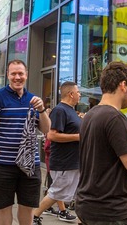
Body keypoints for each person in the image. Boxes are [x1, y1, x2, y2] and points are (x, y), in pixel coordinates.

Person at [76, 61, 127, 225]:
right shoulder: (115, 117)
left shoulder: (91, 115)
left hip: (89, 206)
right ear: (123, 85)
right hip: (110, 211)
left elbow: (105, 153)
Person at [0, 59, 51, 225]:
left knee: (28, 207)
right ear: (7, 75)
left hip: (31, 165)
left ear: (26, 75)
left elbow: (46, 129)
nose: (17, 77)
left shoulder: (33, 99)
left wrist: (42, 110)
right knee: (3, 207)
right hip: (3, 164)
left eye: (20, 73)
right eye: (13, 73)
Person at [33, 81, 82, 224]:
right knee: (57, 192)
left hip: (73, 161)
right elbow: (52, 135)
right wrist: (79, 137)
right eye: (78, 92)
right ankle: (34, 216)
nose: (80, 95)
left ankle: (81, 218)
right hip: (64, 162)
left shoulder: (71, 110)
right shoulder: (60, 110)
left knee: (70, 192)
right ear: (71, 94)